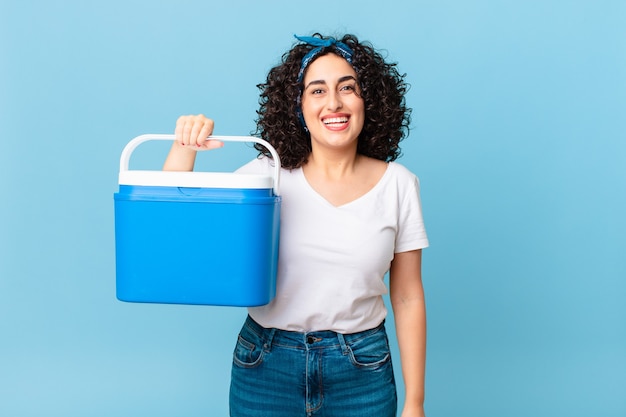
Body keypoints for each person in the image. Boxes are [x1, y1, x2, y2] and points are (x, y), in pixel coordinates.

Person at [163, 33, 429, 417]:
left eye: (348, 88)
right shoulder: (266, 176)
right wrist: (182, 147)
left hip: (362, 369)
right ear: (298, 107)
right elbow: (176, 228)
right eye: (317, 90)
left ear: (368, 100)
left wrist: (415, 403)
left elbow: (407, 296)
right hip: (265, 364)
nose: (334, 103)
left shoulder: (399, 184)